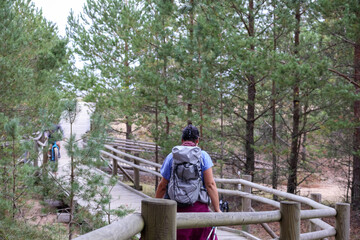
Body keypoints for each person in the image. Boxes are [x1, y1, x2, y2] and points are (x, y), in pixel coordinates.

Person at [155, 121, 221, 240]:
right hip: (200, 212)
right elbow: (210, 184)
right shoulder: (203, 156)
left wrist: (155, 208)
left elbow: (162, 186)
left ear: (182, 140)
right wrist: (217, 209)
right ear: (197, 140)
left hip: (174, 212)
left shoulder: (172, 156)